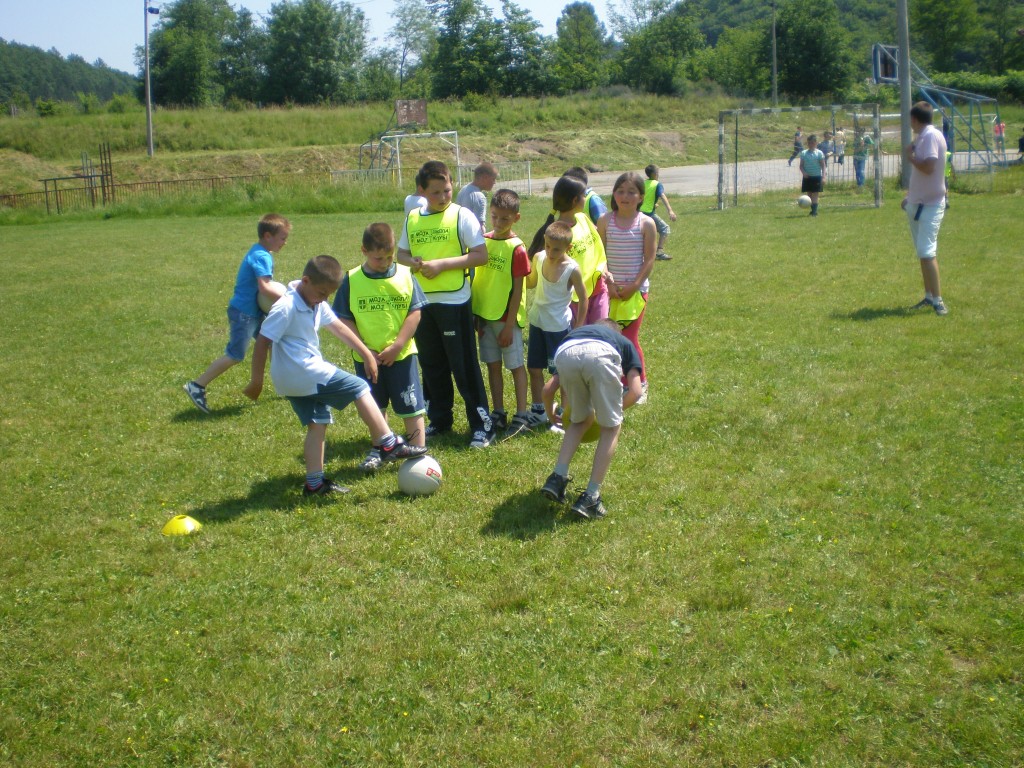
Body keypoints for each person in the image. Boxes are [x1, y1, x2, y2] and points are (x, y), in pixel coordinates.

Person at [243, 256, 426, 496]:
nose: (324, 299)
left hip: (291, 380)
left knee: (317, 423)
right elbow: (262, 341)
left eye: (328, 294)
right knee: (359, 387)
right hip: (304, 370)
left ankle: (314, 483)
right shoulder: (286, 306)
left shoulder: (315, 300)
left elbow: (338, 327)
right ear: (306, 281)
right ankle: (388, 443)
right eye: (321, 293)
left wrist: (366, 353)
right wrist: (256, 381)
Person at [397, 160, 495, 447]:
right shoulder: (413, 218)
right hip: (422, 303)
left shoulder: (462, 215)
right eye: (435, 192)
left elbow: (480, 255)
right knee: (432, 364)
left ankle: (482, 424)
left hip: (454, 301)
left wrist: (442, 265)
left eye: (447, 190)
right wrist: (413, 261)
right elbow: (401, 254)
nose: (442, 197)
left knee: (463, 366)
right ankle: (439, 419)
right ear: (422, 191)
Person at [332, 223, 429, 473]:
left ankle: (418, 453)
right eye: (378, 258)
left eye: (389, 257)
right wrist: (365, 351)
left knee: (411, 405)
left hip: (402, 355)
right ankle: (380, 449)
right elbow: (344, 319)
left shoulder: (405, 275)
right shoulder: (352, 279)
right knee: (375, 406)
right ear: (364, 251)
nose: (385, 263)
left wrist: (398, 345)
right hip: (367, 358)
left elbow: (415, 313)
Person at [184, 213, 290, 414]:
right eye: (282, 238)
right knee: (235, 355)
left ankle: (285, 386)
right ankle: (197, 385)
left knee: (272, 342)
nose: (285, 242)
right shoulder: (262, 256)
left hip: (253, 312)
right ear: (268, 236)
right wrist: (289, 300)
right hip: (244, 314)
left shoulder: (258, 251)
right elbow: (265, 287)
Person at [539, 319, 643, 520]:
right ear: (616, 334)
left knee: (579, 421)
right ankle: (591, 497)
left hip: (565, 351)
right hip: (601, 356)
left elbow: (547, 390)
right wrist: (611, 412)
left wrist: (551, 416)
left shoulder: (578, 335)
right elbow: (637, 391)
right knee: (611, 428)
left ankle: (556, 478)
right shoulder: (624, 343)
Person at [471, 189, 534, 438]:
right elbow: (479, 282)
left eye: (505, 219)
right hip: (485, 319)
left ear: (516, 218)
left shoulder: (517, 249)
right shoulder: (483, 242)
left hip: (507, 320)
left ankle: (522, 414)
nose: (498, 222)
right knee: (493, 366)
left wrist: (509, 326)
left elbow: (518, 290)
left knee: (516, 366)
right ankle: (498, 412)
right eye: (494, 216)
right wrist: (477, 316)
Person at [596, 172, 656, 405]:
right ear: (613, 194)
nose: (625, 196)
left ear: (641, 197)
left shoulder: (646, 223)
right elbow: (600, 256)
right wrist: (609, 283)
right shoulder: (605, 221)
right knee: (611, 337)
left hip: (635, 292)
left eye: (632, 192)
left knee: (629, 339)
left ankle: (639, 384)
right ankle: (619, 383)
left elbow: (649, 259)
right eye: (620, 191)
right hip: (609, 290)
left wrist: (635, 285)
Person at [526, 221, 588, 431]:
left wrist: (578, 328)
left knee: (561, 374)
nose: (550, 252)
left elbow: (584, 298)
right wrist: (516, 274)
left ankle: (564, 414)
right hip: (537, 321)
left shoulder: (572, 269)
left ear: (568, 248)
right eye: (547, 246)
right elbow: (531, 282)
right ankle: (539, 411)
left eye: (556, 249)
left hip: (558, 327)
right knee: (534, 368)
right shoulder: (539, 258)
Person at [528, 175, 609, 324]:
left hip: (598, 289)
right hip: (574, 297)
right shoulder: (558, 235)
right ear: (575, 200)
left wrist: (604, 269)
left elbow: (598, 247)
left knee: (600, 332)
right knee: (579, 336)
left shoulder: (583, 219)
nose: (586, 199)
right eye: (584, 196)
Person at [903, 101, 949, 316]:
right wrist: (910, 197)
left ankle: (938, 301)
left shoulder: (930, 136)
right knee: (923, 253)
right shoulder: (923, 136)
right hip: (918, 203)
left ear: (914, 119)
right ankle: (929, 296)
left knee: (927, 252)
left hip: (930, 204)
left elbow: (929, 167)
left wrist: (910, 158)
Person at [639, 164, 677, 261]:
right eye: (657, 172)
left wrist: (653, 204)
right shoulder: (657, 184)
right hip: (648, 213)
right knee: (665, 228)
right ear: (654, 174)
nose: (658, 174)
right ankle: (659, 253)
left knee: (643, 233)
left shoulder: (643, 183)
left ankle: (640, 253)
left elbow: (643, 196)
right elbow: (662, 196)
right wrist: (670, 211)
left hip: (638, 212)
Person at [798, 135, 826, 217]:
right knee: (809, 194)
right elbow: (801, 166)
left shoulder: (819, 153)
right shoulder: (804, 153)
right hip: (807, 177)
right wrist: (804, 173)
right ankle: (812, 210)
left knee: (815, 194)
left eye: (812, 143)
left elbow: (823, 166)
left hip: (817, 177)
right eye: (809, 143)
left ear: (816, 143)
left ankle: (814, 211)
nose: (811, 145)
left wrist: (823, 177)